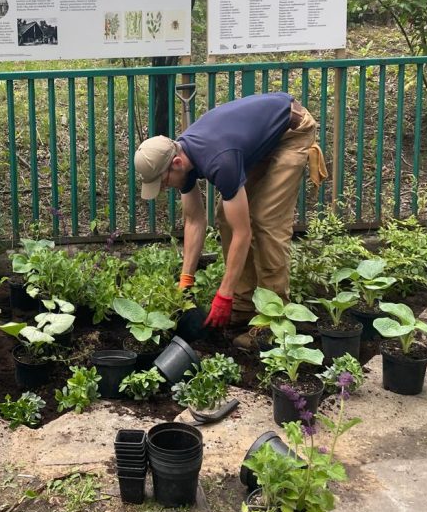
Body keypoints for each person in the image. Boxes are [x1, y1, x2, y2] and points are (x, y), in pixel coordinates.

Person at [134, 92, 327, 333]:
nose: (164, 188)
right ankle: (243, 306)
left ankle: (273, 320)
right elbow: (194, 220)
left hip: (291, 131)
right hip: (257, 139)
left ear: (176, 164)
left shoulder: (220, 161)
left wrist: (223, 294)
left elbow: (242, 233)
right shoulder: (182, 157)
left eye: (163, 182)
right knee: (226, 216)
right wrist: (186, 279)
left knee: (266, 221)